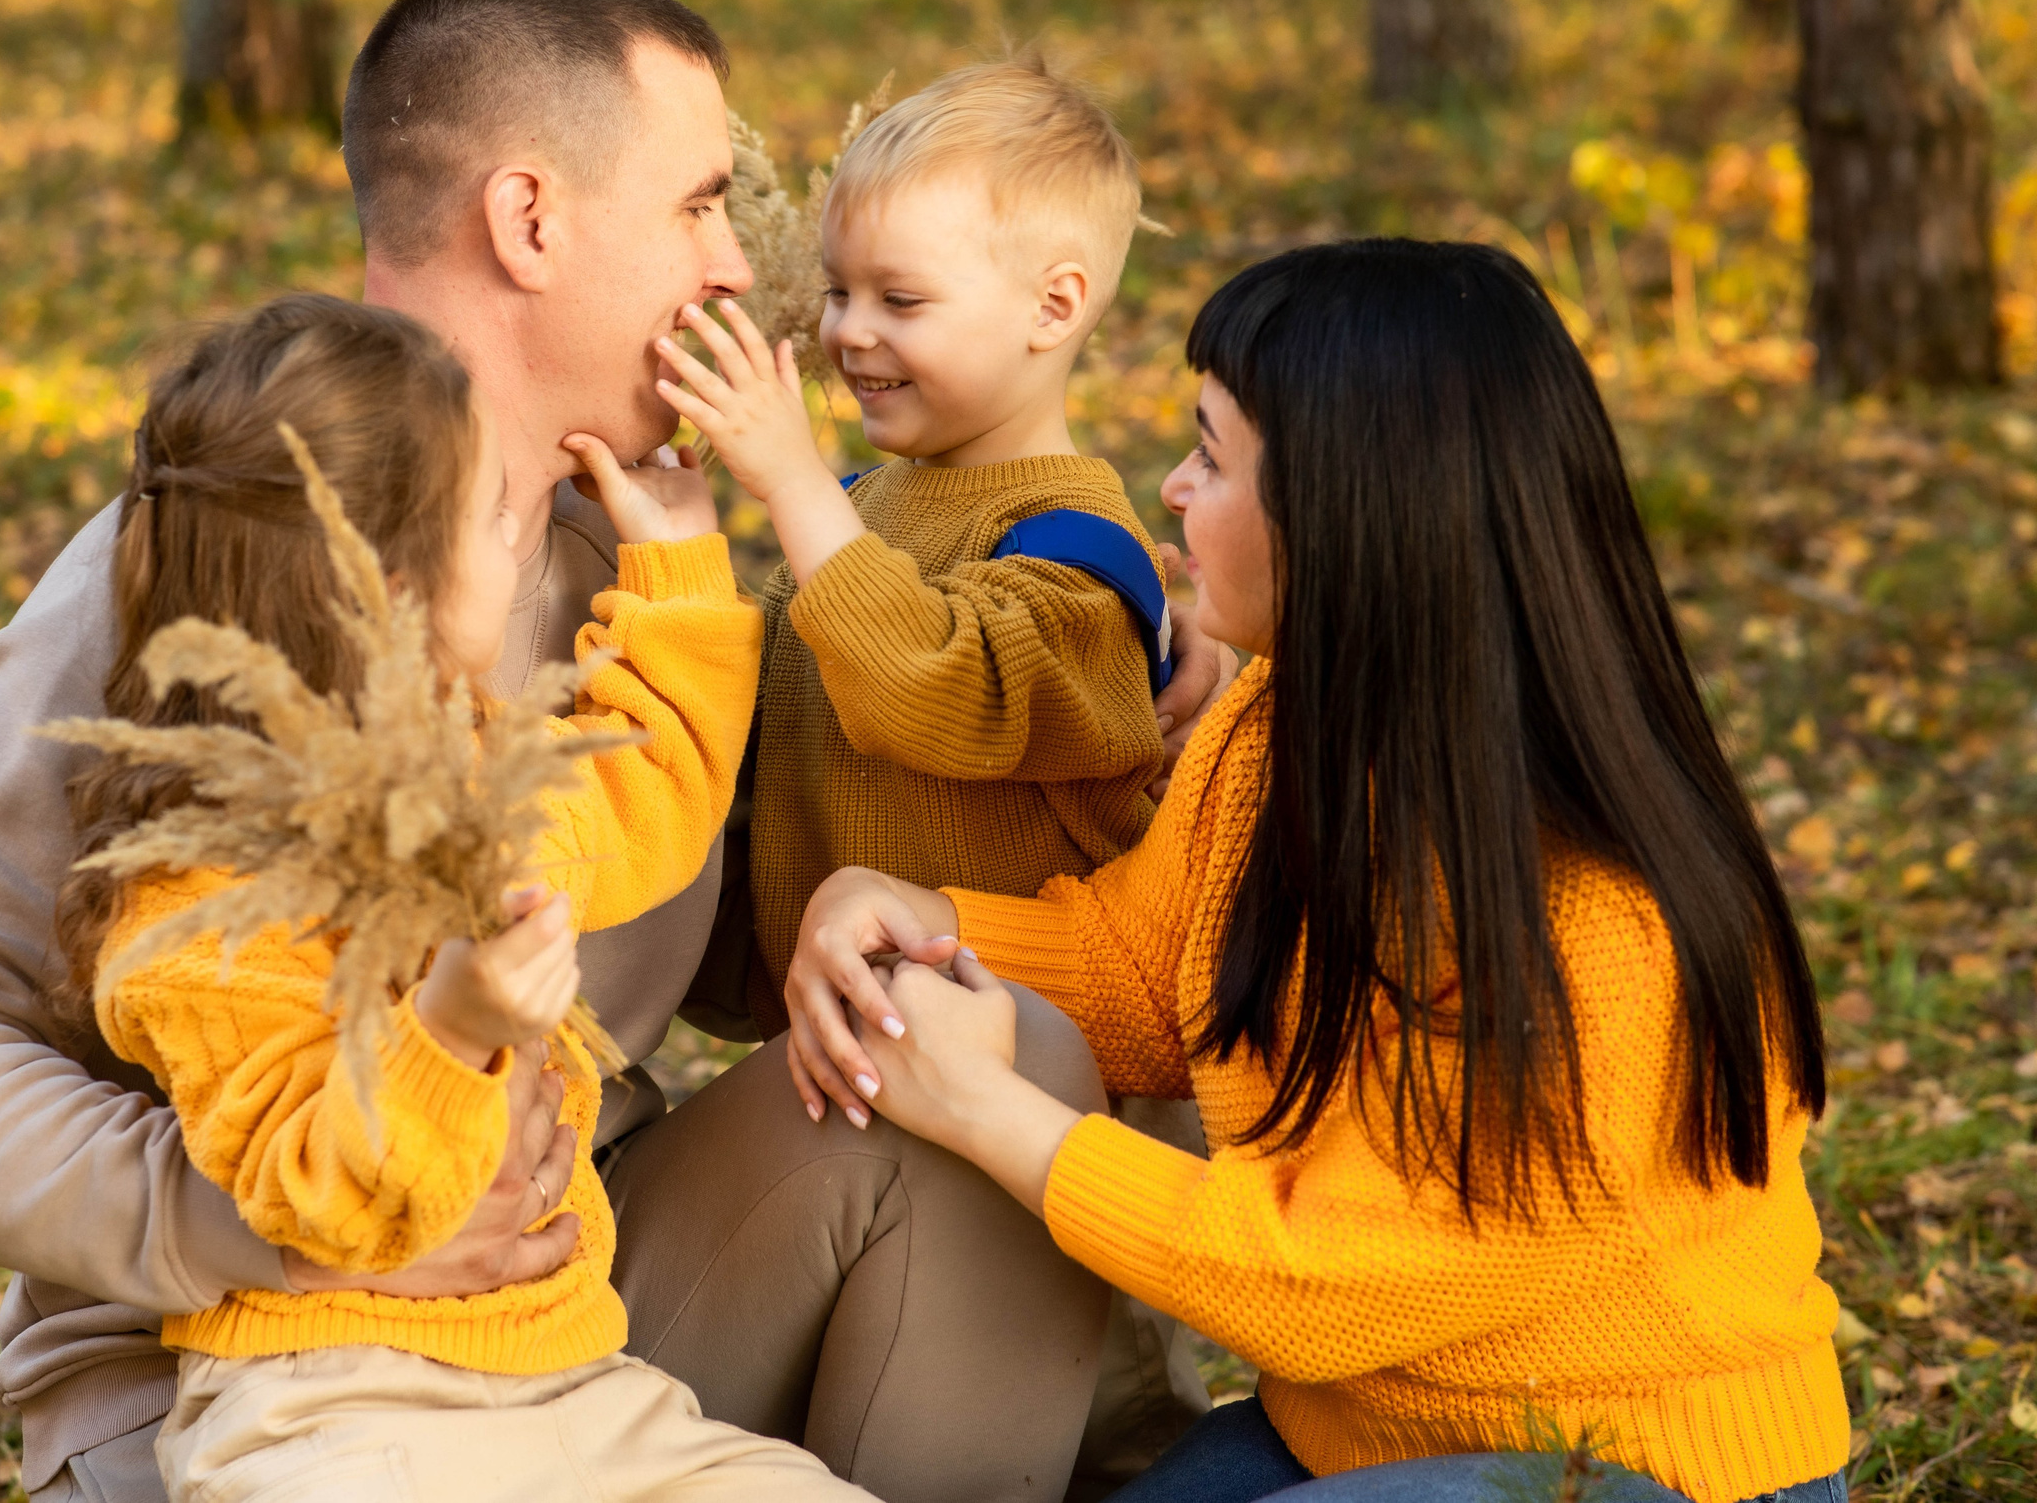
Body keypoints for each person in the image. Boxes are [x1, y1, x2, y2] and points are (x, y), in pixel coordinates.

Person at [0, 0, 1182, 1503]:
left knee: (991, 1034)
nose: (734, 267)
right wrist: (290, 1214)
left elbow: (702, 906)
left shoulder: (652, 564)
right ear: (532, 221)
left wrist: (1111, 780)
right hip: (247, 1380)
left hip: (571, 1307)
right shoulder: (210, 588)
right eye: (700, 203)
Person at [781, 240, 1851, 1503]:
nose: (1170, 488)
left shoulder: (1591, 918)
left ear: (1352, 512)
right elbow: (1140, 975)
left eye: (1213, 458)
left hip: (1626, 1467)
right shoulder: (1277, 726)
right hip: (1359, 1433)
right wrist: (915, 909)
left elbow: (1319, 1281)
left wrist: (991, 1115)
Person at [58, 293, 873, 1500]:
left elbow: (643, 786)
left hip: (574, 1386)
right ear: (387, 589)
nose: (520, 535)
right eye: (493, 513)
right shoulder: (202, 897)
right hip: (330, 1408)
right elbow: (319, 1191)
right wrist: (453, 1028)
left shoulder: (475, 769)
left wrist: (682, 566)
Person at [660, 55, 1171, 1064]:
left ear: (1053, 308)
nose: (849, 332)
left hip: (1030, 1075)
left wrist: (794, 485)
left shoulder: (1080, 557)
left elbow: (928, 689)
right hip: (865, 1053)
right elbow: (753, 729)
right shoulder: (862, 511)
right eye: (839, 291)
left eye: (900, 300)